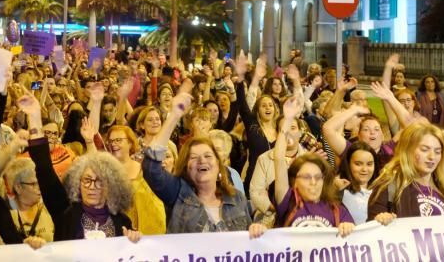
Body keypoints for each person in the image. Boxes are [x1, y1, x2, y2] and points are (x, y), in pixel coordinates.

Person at [19, 93, 141, 242]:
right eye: (87, 180)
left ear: (111, 185)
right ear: (78, 183)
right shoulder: (65, 212)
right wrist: (35, 117)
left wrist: (134, 242)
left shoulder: (123, 222)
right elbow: (44, 166)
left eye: (99, 181)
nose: (91, 186)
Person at [142, 86, 260, 236]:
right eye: (194, 157)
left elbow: (248, 241)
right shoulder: (178, 194)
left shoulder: (237, 198)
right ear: (186, 166)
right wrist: (174, 116)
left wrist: (257, 232)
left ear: (219, 164)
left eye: (208, 156)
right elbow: (151, 168)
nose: (202, 160)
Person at [273, 95, 355, 236]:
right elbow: (279, 159)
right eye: (306, 177)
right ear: (294, 182)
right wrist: (287, 120)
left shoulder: (337, 210)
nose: (313, 182)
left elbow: (354, 243)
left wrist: (349, 228)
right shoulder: (288, 202)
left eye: (318, 177)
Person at [368, 121, 444, 224]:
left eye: (437, 152)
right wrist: (381, 220)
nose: (432, 157)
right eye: (424, 150)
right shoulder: (389, 185)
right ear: (408, 150)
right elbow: (371, 229)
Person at [106, 124, 166, 234]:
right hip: (116, 229)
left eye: (118, 140)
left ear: (129, 143)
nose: (113, 144)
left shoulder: (144, 169)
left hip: (145, 229)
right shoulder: (105, 171)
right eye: (111, 141)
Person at [336, 142, 377, 225]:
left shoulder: (381, 190)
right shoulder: (339, 188)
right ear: (348, 164)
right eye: (358, 164)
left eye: (369, 164)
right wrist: (333, 189)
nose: (364, 169)